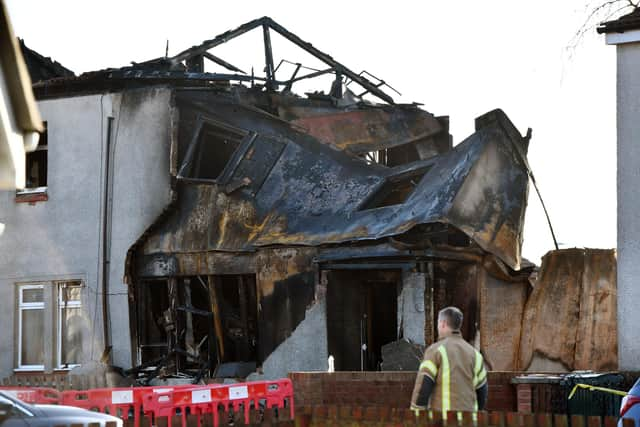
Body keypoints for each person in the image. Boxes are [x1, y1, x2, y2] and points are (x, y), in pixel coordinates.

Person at [410, 306, 488, 414]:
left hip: (444, 420)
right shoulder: (475, 354)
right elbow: (482, 392)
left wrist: (416, 414)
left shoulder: (435, 351)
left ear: (442, 323)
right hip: (469, 421)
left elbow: (424, 386)